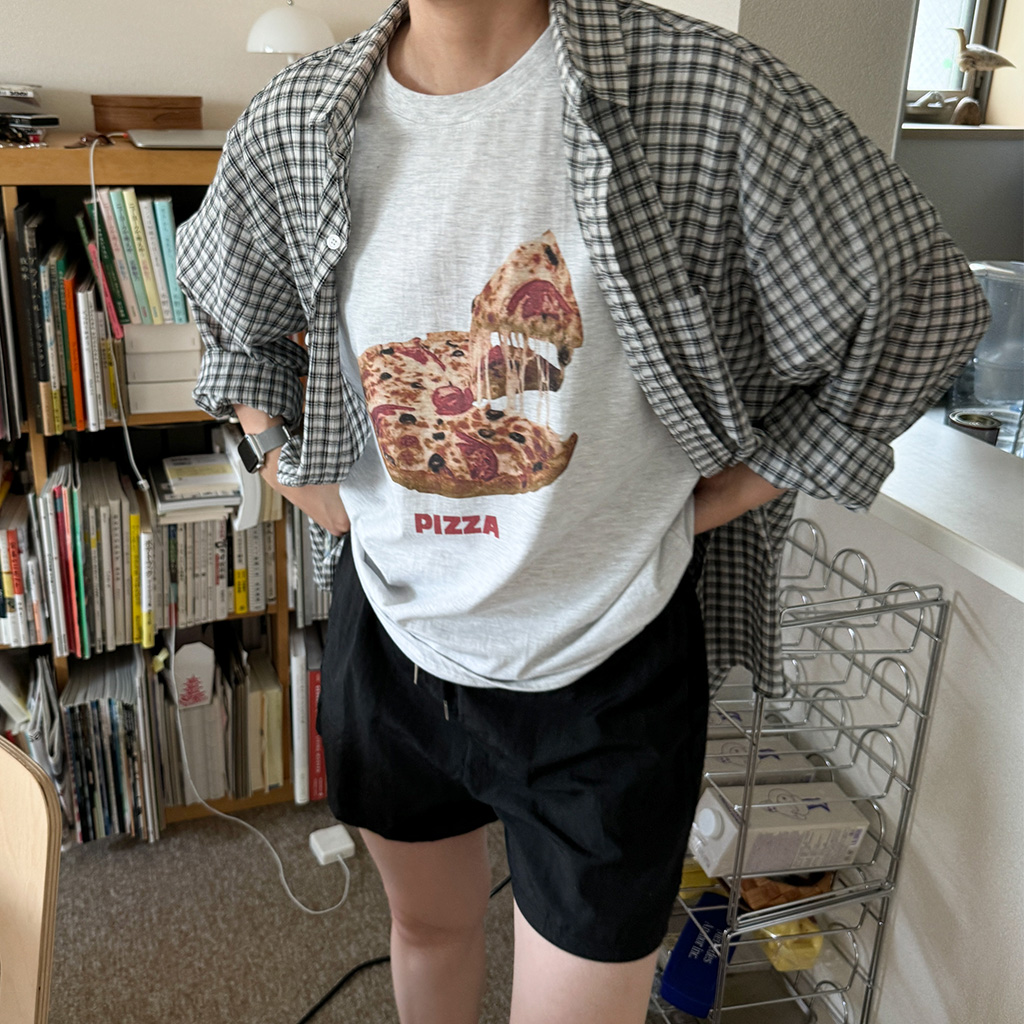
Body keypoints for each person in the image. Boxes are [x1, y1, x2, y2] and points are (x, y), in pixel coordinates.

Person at [177, 1, 990, 1021]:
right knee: (425, 931)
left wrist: (743, 485)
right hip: (391, 642)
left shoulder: (704, 95)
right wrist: (281, 462)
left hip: (610, 663)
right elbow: (231, 314)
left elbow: (924, 300)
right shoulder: (298, 118)